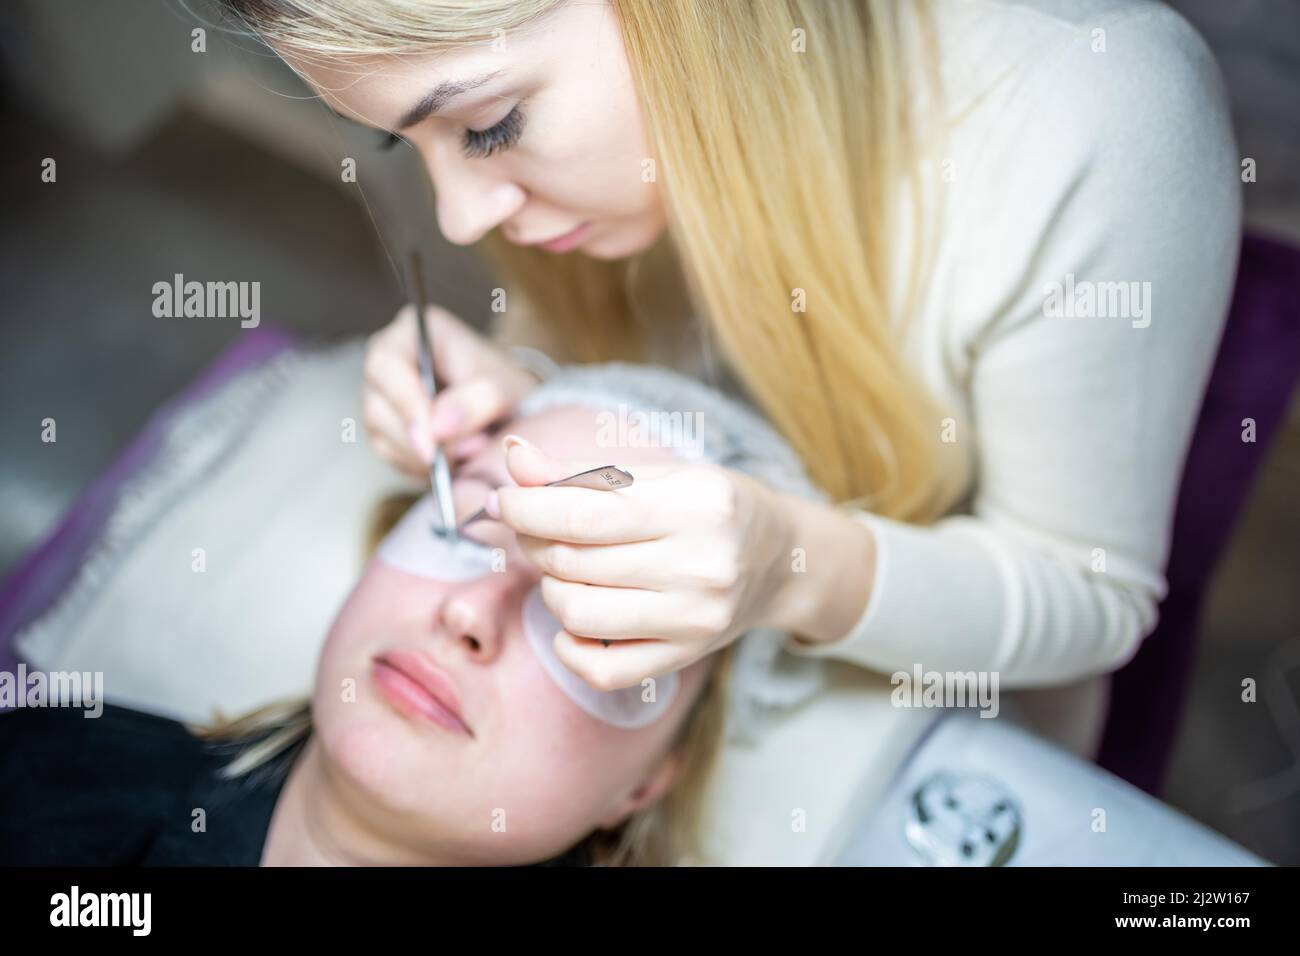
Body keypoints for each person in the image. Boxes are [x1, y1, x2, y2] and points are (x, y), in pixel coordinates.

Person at [217, 0, 1242, 753]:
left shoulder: (1094, 115)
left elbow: (1088, 599)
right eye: (405, 143)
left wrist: (795, 566)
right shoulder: (581, 141)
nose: (460, 218)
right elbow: (603, 335)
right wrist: (522, 378)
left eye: (487, 126)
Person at [0, 401, 733, 866]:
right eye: (467, 524)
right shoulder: (42, 768)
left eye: (593, 605)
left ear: (644, 784)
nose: (471, 613)